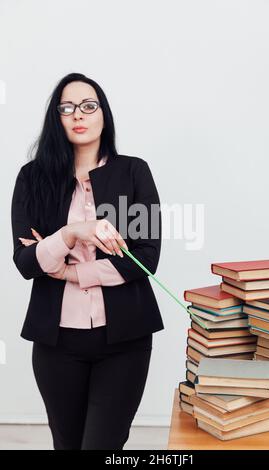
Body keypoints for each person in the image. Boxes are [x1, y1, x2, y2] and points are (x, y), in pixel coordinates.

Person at [10, 72, 164, 450]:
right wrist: (72, 233)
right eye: (66, 107)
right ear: (56, 118)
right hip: (56, 344)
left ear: (103, 115)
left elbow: (145, 259)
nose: (78, 114)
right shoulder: (33, 179)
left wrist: (67, 270)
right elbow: (26, 262)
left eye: (88, 105)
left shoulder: (134, 172)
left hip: (125, 341)